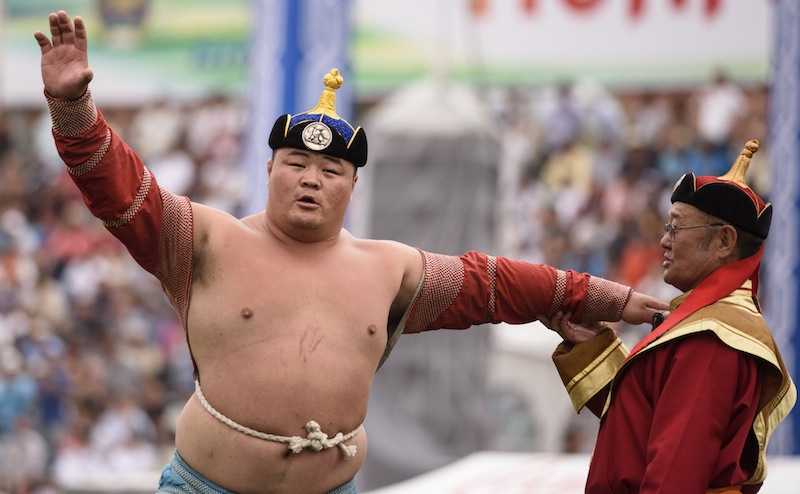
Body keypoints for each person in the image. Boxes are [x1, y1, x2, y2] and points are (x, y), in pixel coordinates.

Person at [34, 11, 668, 494]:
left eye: (330, 170)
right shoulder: (205, 239)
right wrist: (72, 106)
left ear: (353, 185)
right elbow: (121, 192)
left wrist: (603, 296)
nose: (311, 179)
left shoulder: (389, 268)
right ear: (269, 170)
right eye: (296, 163)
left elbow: (492, 283)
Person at [541, 140, 796, 493]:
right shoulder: (709, 323)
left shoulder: (712, 337)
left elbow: (674, 474)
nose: (663, 241)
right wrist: (591, 346)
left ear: (724, 242)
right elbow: (641, 423)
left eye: (676, 228)